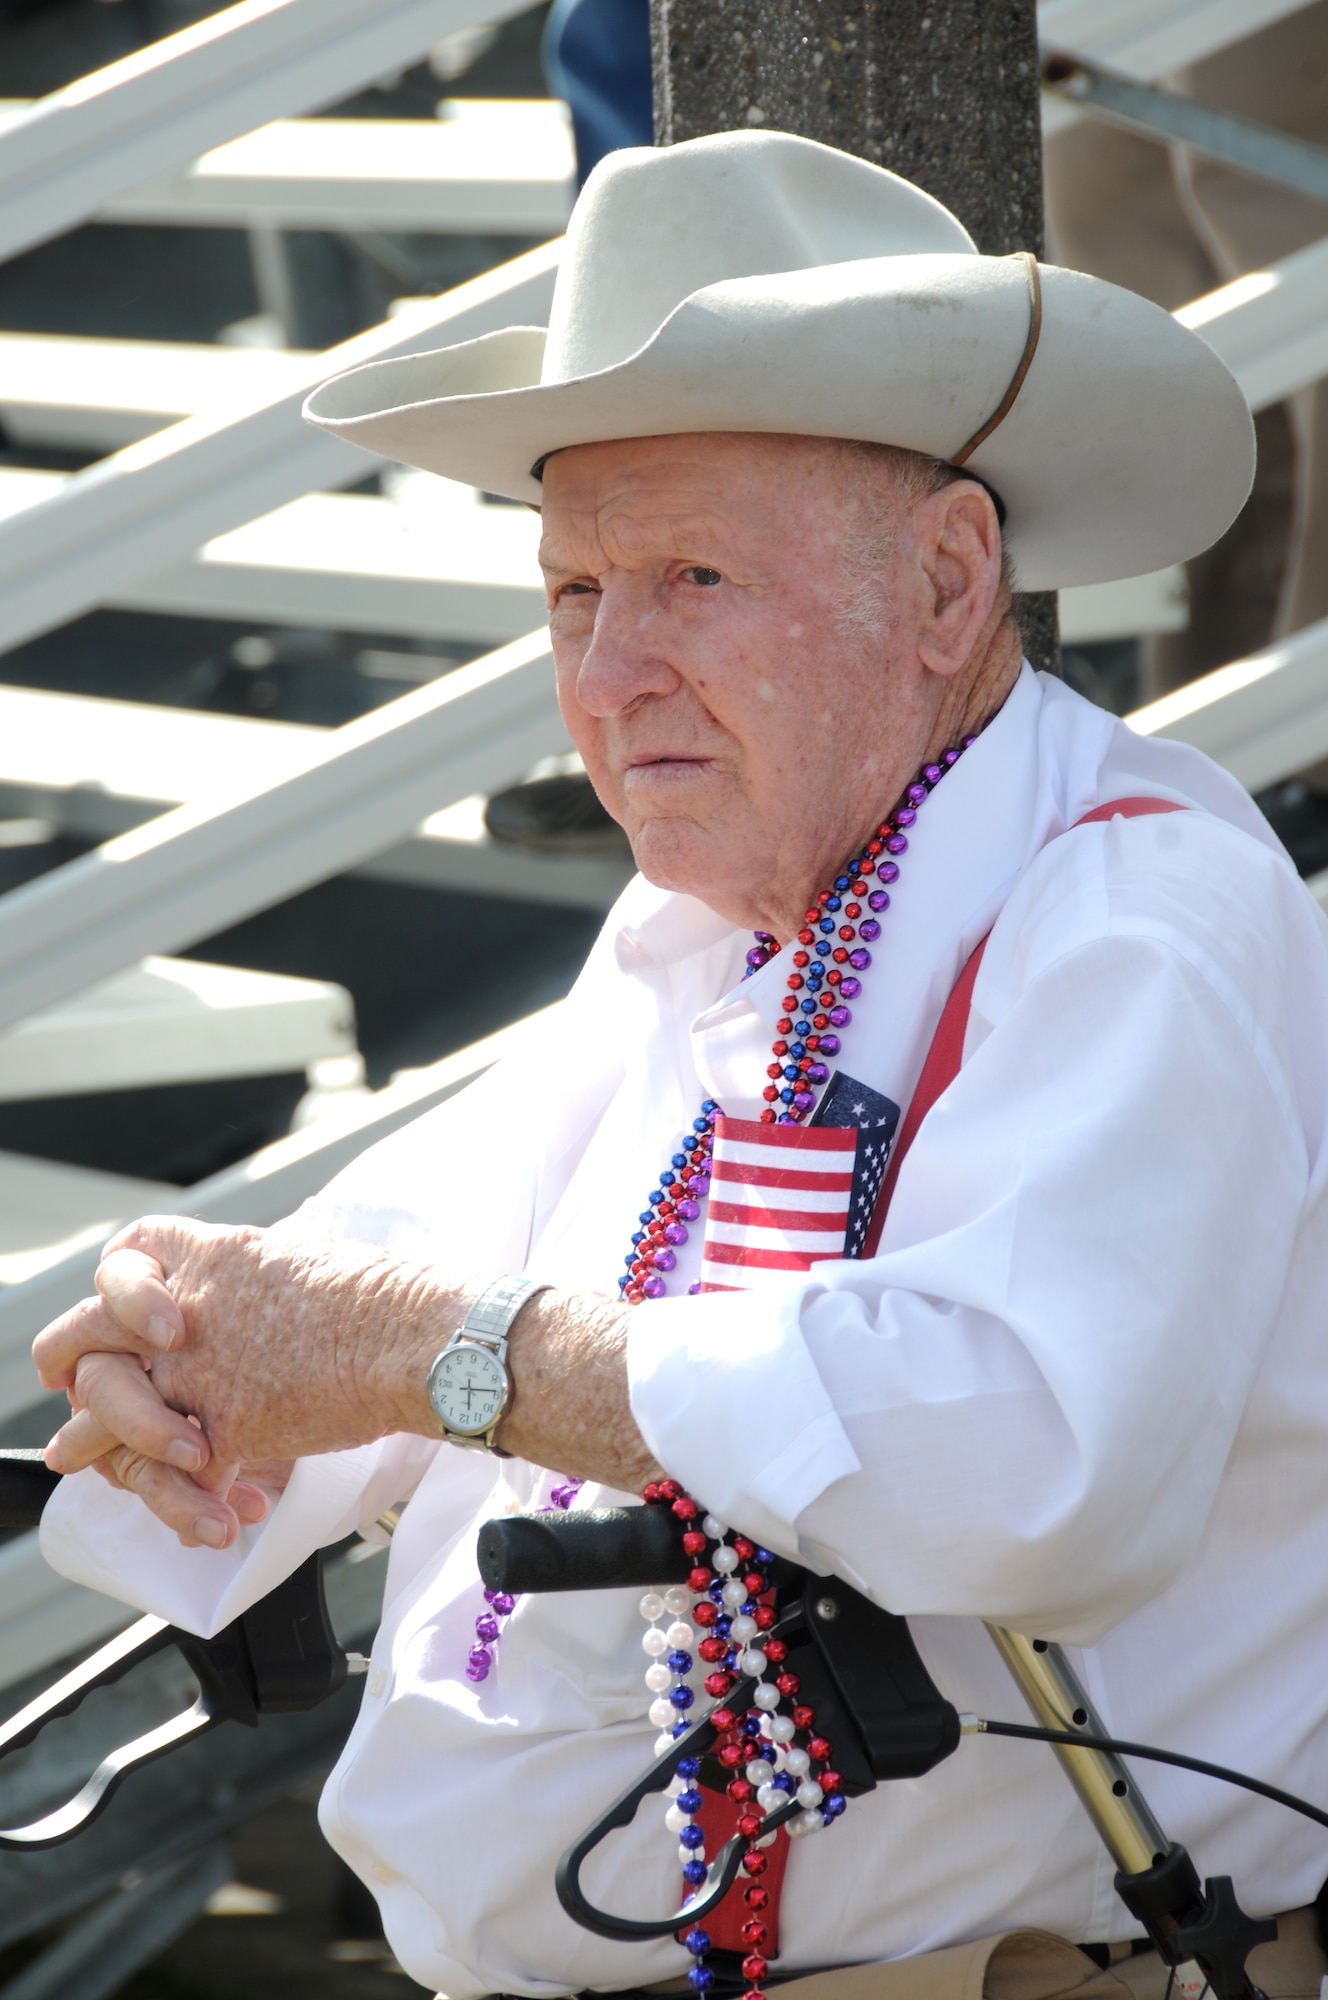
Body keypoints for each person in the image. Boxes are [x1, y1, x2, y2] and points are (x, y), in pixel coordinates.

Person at [28, 130, 1328, 2000]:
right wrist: (186, 1348)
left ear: (951, 585)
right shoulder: (709, 930)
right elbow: (370, 1286)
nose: (609, 671)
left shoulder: (1128, 907)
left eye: (695, 575)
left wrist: (420, 1352)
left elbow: (1032, 1455)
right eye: (572, 593)